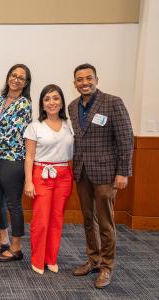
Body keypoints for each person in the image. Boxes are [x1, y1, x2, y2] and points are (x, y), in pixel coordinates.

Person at [68, 63, 133, 288]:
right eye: (79, 79)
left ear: (97, 79)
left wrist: (123, 172)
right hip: (82, 171)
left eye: (89, 78)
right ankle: (93, 260)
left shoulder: (113, 102)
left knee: (105, 221)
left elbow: (126, 139)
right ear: (74, 82)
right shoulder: (73, 106)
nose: (84, 82)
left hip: (106, 172)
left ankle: (106, 267)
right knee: (88, 220)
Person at [0, 64, 32, 262]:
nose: (16, 79)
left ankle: (16, 248)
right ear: (8, 77)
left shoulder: (24, 104)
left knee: (13, 204)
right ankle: (3, 240)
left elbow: (14, 133)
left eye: (22, 77)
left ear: (26, 83)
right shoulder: (1, 100)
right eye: (14, 75)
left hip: (12, 160)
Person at [24, 84, 74, 274]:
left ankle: (51, 258)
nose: (51, 102)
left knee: (57, 219)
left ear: (61, 102)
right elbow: (29, 156)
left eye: (55, 98)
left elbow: (72, 155)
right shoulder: (34, 127)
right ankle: (37, 260)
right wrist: (29, 181)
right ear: (42, 104)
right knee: (41, 220)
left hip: (64, 176)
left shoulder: (70, 126)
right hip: (41, 174)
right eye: (47, 99)